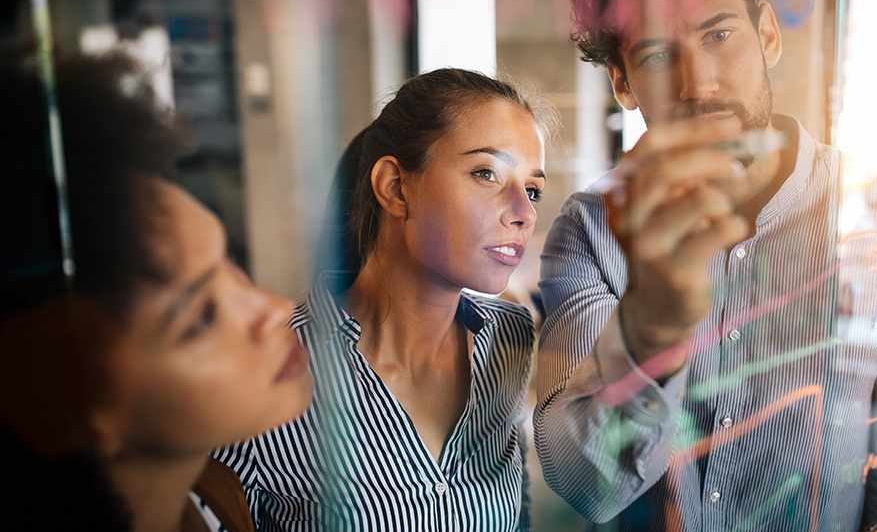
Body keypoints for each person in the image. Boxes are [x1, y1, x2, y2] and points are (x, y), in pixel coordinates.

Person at [534, 0, 877, 530]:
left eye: (719, 35)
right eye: (660, 55)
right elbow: (587, 486)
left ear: (768, 35)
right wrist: (651, 329)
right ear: (623, 82)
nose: (699, 83)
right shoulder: (590, 229)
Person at [214, 68, 549, 531]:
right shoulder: (269, 369)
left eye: (532, 189)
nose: (524, 212)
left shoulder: (508, 339)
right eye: (486, 173)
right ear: (394, 187)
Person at [0, 51, 314, 532]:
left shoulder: (218, 496)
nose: (277, 310)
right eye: (201, 318)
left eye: (231, 265)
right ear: (66, 398)